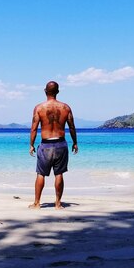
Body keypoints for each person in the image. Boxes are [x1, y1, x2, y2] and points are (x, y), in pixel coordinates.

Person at [29, 81, 78, 209]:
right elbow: (72, 127)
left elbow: (33, 128)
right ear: (58, 92)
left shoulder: (39, 108)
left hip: (45, 145)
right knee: (59, 174)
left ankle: (37, 203)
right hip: (61, 144)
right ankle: (57, 204)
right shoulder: (66, 108)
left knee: (40, 174)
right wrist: (75, 142)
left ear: (45, 91)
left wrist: (31, 145)